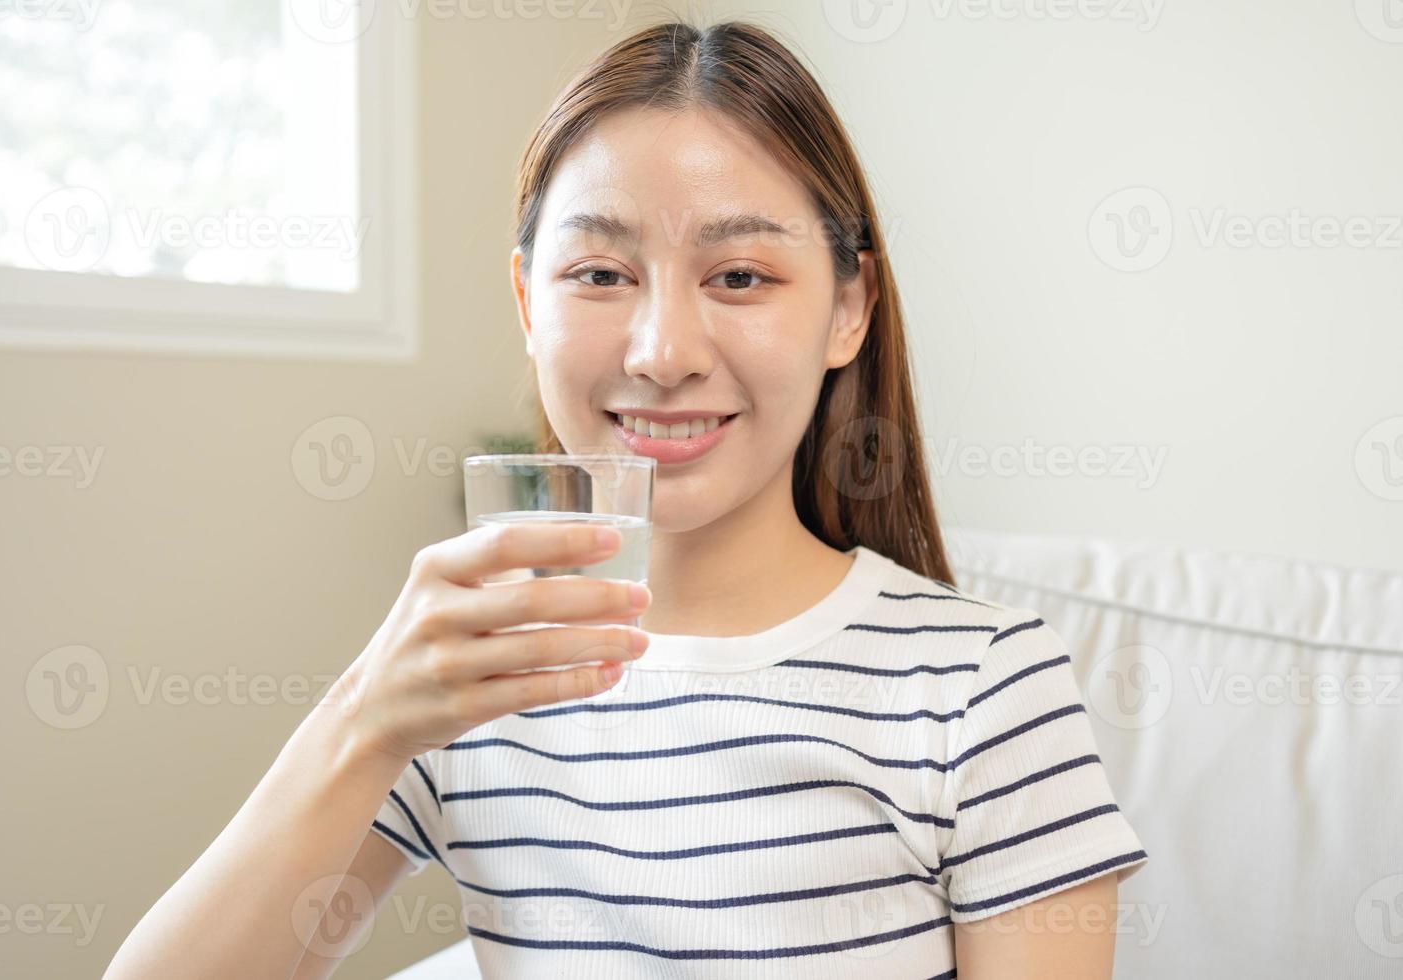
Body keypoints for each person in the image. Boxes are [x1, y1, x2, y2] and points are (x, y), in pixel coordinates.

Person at [106, 18, 1147, 980]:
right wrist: (364, 721)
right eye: (600, 273)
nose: (662, 353)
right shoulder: (473, 678)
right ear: (527, 300)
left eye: (739, 275)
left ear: (848, 308)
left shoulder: (982, 687)